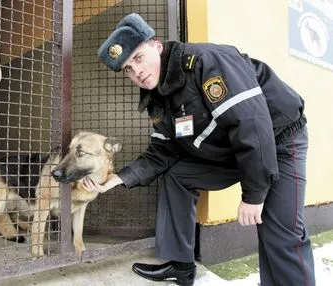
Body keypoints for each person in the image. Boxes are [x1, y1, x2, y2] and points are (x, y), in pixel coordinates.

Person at [84, 13, 315, 286]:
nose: (136, 72)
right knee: (177, 173)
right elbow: (163, 152)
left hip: (278, 142)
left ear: (156, 45)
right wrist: (119, 178)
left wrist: (254, 195)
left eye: (138, 58)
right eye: (127, 70)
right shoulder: (157, 98)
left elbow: (251, 123)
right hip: (230, 149)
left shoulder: (205, 63)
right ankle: (181, 266)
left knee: (280, 231)